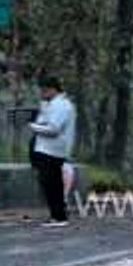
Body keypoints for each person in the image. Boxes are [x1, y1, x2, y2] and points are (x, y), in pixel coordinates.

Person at [28, 75, 77, 226]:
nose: (42, 93)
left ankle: (59, 216)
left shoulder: (61, 105)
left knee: (51, 184)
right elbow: (44, 122)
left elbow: (54, 129)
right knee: (50, 183)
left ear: (53, 90)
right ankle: (57, 215)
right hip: (46, 149)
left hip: (52, 150)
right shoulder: (50, 104)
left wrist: (33, 127)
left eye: (44, 90)